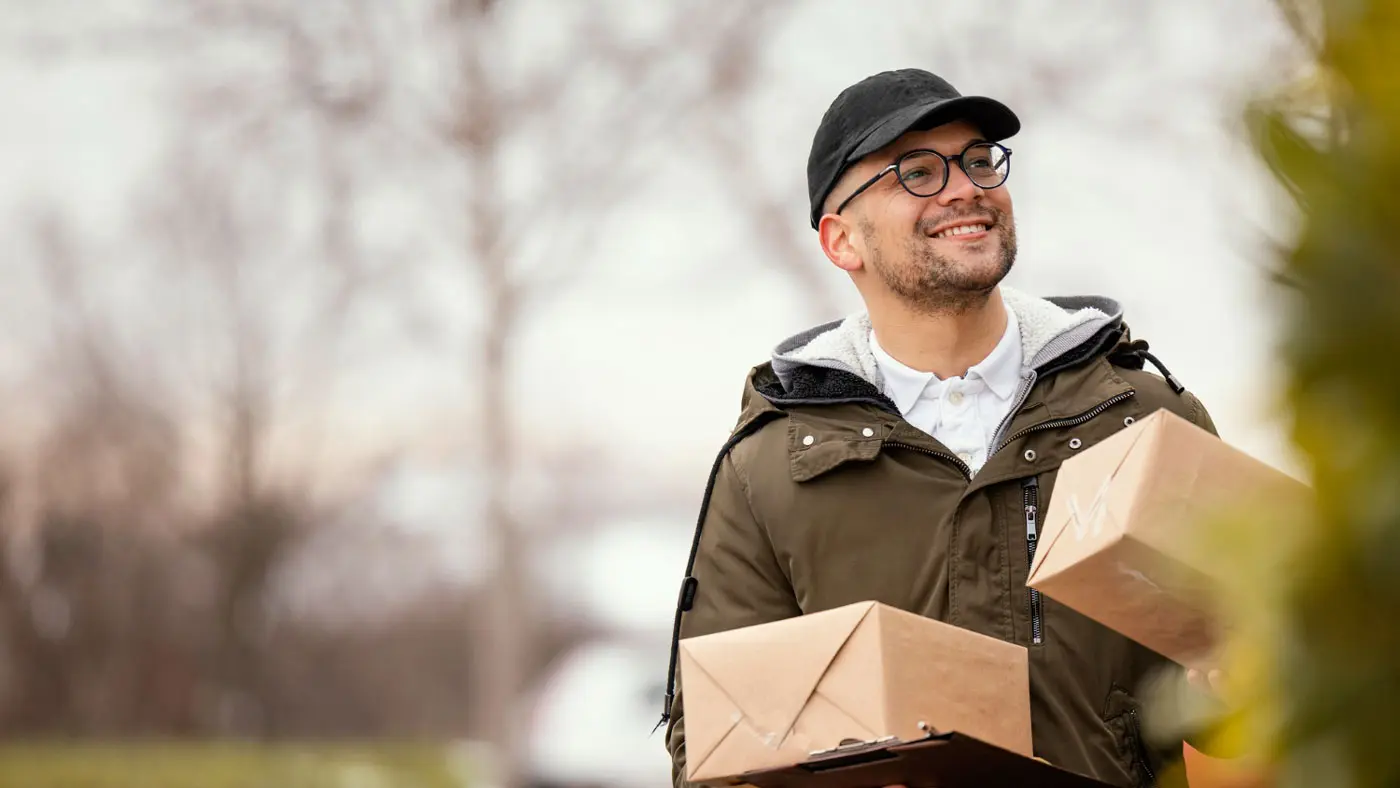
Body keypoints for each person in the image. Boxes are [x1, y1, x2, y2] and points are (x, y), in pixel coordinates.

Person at [657, 68, 1220, 788]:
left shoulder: (1142, 418)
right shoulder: (769, 470)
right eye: (916, 172)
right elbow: (717, 747)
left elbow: (1236, 690)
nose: (966, 188)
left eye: (978, 160)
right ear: (842, 241)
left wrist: (1234, 688)